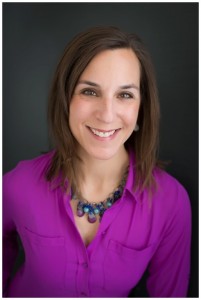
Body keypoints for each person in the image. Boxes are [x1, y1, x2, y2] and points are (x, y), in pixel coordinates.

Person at [3, 26, 191, 297]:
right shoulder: (17, 185)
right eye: (90, 92)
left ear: (141, 108)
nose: (106, 114)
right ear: (66, 98)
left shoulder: (171, 203)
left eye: (124, 95)